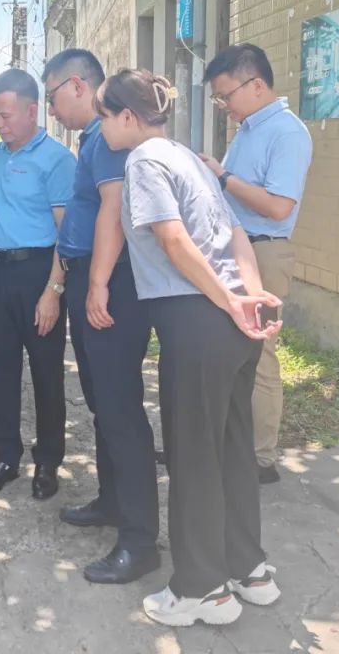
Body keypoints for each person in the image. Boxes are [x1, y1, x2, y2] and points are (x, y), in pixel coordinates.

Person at [96, 68, 283, 627]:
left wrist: (228, 300)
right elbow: (236, 233)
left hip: (197, 319)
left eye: (105, 117)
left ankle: (202, 589)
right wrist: (249, 295)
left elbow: (173, 240)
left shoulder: (144, 161)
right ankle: (249, 570)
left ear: (127, 116)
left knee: (194, 454)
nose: (103, 129)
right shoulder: (188, 158)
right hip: (233, 321)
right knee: (232, 448)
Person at [42, 49, 160, 584]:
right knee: (103, 405)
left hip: (111, 285)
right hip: (90, 279)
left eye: (51, 97)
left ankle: (140, 542)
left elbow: (114, 210)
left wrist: (97, 284)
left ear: (77, 86)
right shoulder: (93, 138)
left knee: (120, 410)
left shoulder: (109, 138)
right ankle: (113, 502)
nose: (51, 110)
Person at [0, 68, 77, 499]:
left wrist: (53, 291)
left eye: (5, 115)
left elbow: (66, 235)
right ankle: (5, 457)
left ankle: (48, 461)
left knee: (46, 370)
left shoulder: (57, 160)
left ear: (31, 111)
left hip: (39, 271)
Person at [200, 44, 313, 484]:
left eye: (225, 95)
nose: (223, 105)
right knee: (226, 349)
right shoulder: (249, 129)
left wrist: (223, 177)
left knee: (260, 355)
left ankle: (259, 459)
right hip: (236, 249)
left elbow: (279, 206)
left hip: (263, 252)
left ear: (257, 85)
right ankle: (224, 445)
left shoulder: (287, 133)